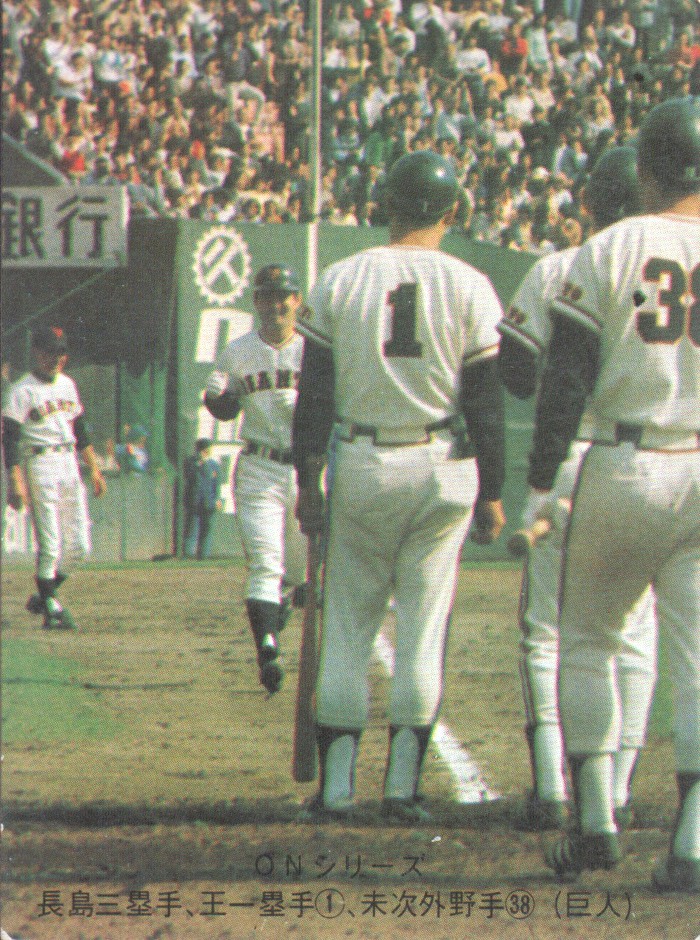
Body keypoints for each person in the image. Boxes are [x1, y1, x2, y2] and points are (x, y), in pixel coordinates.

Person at [292, 150, 506, 822]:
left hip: (361, 460)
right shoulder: (471, 283)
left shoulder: (340, 277)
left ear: (385, 205)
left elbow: (313, 396)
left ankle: (335, 790)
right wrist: (494, 491)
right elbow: (486, 402)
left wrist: (306, 481)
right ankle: (402, 790)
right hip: (443, 463)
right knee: (422, 628)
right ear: (452, 210)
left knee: (348, 627)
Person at [525, 96, 700, 892]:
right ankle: (691, 841)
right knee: (695, 663)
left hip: (624, 459)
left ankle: (595, 818)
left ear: (648, 169)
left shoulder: (611, 244)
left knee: (589, 639)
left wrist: (541, 480)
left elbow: (565, 377)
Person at [498, 146, 658, 833]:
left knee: (549, 629)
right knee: (636, 633)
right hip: (649, 453)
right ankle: (618, 788)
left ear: (591, 201)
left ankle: (552, 787)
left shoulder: (558, 267)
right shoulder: (673, 254)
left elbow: (515, 371)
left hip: (570, 457)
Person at [203, 265, 307, 695]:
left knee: (300, 572)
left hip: (307, 470)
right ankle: (267, 649)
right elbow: (224, 408)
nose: (275, 304)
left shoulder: (312, 350)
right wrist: (216, 399)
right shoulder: (238, 352)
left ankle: (281, 603)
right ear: (256, 302)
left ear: (297, 301)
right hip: (259, 466)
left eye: (283, 296)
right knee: (266, 562)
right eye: (267, 296)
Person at [2, 325, 107, 630]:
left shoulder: (68, 385)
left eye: (61, 352)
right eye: (51, 351)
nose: (57, 358)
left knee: (80, 548)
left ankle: (45, 595)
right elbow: (10, 440)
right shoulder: (21, 390)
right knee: (50, 545)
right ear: (37, 352)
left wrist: (94, 468)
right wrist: (15, 481)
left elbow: (80, 430)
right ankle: (52, 609)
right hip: (41, 462)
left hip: (69, 462)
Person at [183, 438, 222, 560]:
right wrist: (200, 463)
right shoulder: (191, 462)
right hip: (194, 501)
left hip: (209, 502)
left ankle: (203, 555)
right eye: (206, 449)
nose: (208, 451)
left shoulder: (214, 465)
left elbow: (216, 484)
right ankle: (187, 554)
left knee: (206, 530)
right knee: (191, 528)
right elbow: (189, 478)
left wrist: (217, 499)